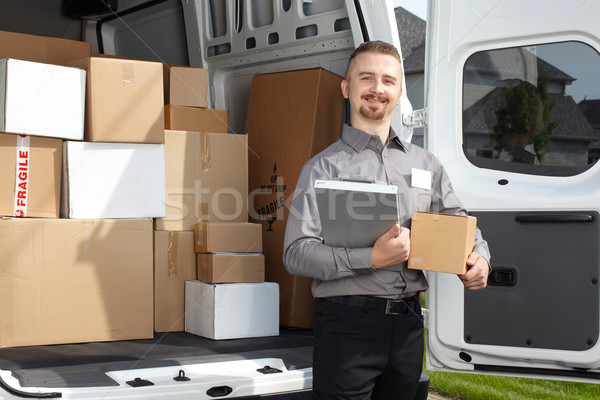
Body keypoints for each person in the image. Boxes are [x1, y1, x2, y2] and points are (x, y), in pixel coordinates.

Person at [283, 40, 491, 400]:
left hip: (409, 324)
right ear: (347, 88)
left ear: (399, 93)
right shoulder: (322, 168)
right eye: (366, 78)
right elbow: (297, 253)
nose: (377, 88)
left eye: (388, 81)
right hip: (348, 328)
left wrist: (479, 256)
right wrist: (372, 259)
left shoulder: (427, 164)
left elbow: (458, 222)